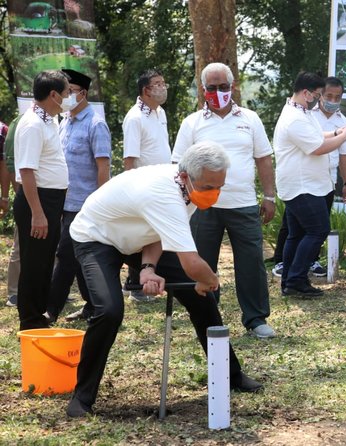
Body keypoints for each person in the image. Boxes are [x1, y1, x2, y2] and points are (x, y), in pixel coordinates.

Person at [65, 141, 263, 418]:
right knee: (109, 310)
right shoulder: (163, 192)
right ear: (185, 177)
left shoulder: (189, 189)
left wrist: (148, 268)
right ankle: (81, 398)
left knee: (200, 299)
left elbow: (159, 231)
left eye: (219, 186)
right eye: (208, 187)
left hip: (138, 236)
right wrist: (211, 279)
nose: (214, 193)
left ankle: (231, 375)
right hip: (97, 237)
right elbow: (192, 264)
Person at [171, 62, 277, 339]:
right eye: (212, 88)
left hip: (242, 204)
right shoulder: (192, 123)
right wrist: (181, 204)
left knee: (252, 263)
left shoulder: (250, 119)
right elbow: (177, 166)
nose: (218, 92)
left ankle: (255, 319)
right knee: (203, 263)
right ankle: (207, 317)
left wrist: (269, 196)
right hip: (202, 206)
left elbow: (264, 159)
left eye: (224, 87)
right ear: (203, 89)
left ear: (233, 87)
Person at [273, 72, 346, 297]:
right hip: (302, 186)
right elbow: (317, 147)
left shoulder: (299, 111)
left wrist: (337, 131)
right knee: (318, 229)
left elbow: (317, 135)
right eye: (318, 94)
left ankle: (289, 281)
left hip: (307, 184)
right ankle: (297, 279)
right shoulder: (294, 118)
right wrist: (345, 136)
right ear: (305, 93)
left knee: (297, 234)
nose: (319, 99)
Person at [45, 69, 112, 323]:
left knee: (65, 256)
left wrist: (101, 205)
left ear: (82, 93)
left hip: (85, 204)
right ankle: (93, 305)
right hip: (64, 201)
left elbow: (103, 168)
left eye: (69, 92)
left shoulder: (96, 124)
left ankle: (51, 310)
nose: (64, 97)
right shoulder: (65, 123)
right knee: (79, 255)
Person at [13, 70, 70, 331]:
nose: (70, 98)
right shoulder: (33, 124)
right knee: (35, 262)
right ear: (54, 95)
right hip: (38, 200)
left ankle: (40, 315)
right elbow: (27, 171)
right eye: (67, 93)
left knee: (46, 261)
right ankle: (30, 320)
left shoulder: (50, 120)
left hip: (51, 200)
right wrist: (38, 213)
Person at [122, 69, 171, 302]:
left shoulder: (160, 112)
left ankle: (144, 281)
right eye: (158, 84)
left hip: (163, 182)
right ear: (146, 90)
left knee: (155, 234)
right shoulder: (135, 118)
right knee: (143, 235)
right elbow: (129, 159)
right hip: (143, 185)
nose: (163, 87)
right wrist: (132, 190)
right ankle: (135, 285)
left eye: (163, 83)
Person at [4, 116, 20, 308]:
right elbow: (10, 162)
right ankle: (14, 291)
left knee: (54, 246)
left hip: (53, 195)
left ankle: (51, 285)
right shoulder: (20, 123)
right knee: (20, 244)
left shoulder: (59, 120)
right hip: (27, 191)